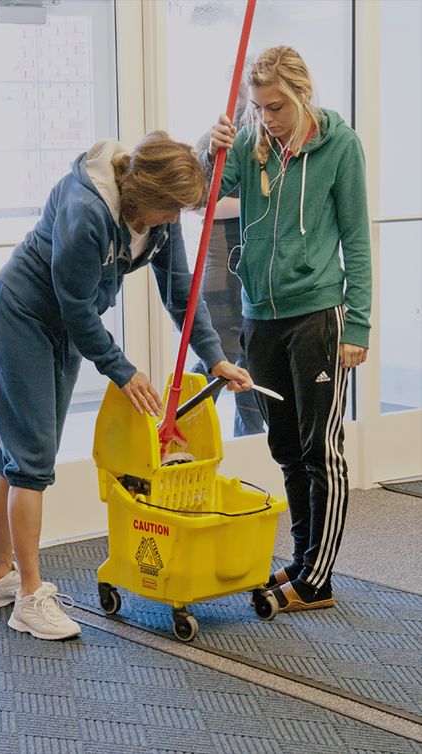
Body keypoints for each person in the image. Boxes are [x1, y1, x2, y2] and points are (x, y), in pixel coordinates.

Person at [0, 131, 253, 639]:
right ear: (148, 195)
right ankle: (29, 597)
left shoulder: (161, 223)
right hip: (24, 315)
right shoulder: (87, 211)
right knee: (32, 460)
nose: (174, 221)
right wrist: (122, 370)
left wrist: (214, 359)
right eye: (172, 210)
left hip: (64, 322)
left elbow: (180, 290)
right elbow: (76, 307)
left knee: (24, 450)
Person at [204, 46, 371, 613]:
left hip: (320, 314)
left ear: (303, 95)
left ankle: (318, 579)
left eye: (276, 107)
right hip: (260, 314)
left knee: (320, 447)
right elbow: (202, 197)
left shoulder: (340, 146)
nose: (268, 118)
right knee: (283, 447)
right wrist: (214, 147)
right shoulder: (251, 147)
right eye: (259, 108)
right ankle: (303, 561)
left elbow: (357, 239)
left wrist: (361, 322)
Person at [193, 84, 265, 437]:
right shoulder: (214, 142)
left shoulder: (264, 142)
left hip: (254, 269)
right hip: (221, 268)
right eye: (242, 95)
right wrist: (262, 206)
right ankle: (180, 435)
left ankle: (249, 445)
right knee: (215, 357)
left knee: (251, 363)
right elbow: (202, 204)